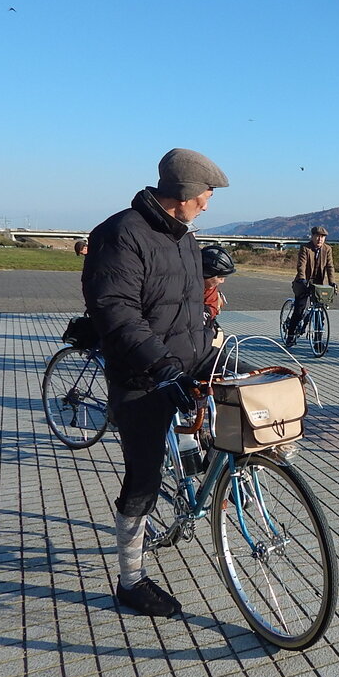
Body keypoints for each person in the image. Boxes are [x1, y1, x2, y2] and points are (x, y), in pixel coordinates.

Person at [81, 148, 229, 618]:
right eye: (205, 195)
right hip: (142, 373)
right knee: (143, 476)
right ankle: (130, 581)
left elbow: (186, 306)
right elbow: (116, 312)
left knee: (251, 394)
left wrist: (210, 337)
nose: (207, 203)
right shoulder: (120, 234)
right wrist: (162, 366)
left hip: (187, 360)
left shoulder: (184, 237)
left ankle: (218, 475)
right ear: (184, 194)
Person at [284, 225, 337, 346]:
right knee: (299, 309)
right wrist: (302, 279)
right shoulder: (305, 248)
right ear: (312, 236)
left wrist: (332, 282)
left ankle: (318, 341)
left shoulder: (327, 249)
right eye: (317, 236)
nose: (320, 239)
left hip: (319, 284)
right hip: (304, 282)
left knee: (319, 313)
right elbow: (301, 265)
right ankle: (290, 335)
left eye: (322, 237)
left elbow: (330, 266)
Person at [201, 244, 236, 347]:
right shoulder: (182, 287)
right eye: (220, 277)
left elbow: (212, 308)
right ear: (207, 273)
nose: (222, 281)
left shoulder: (211, 290)